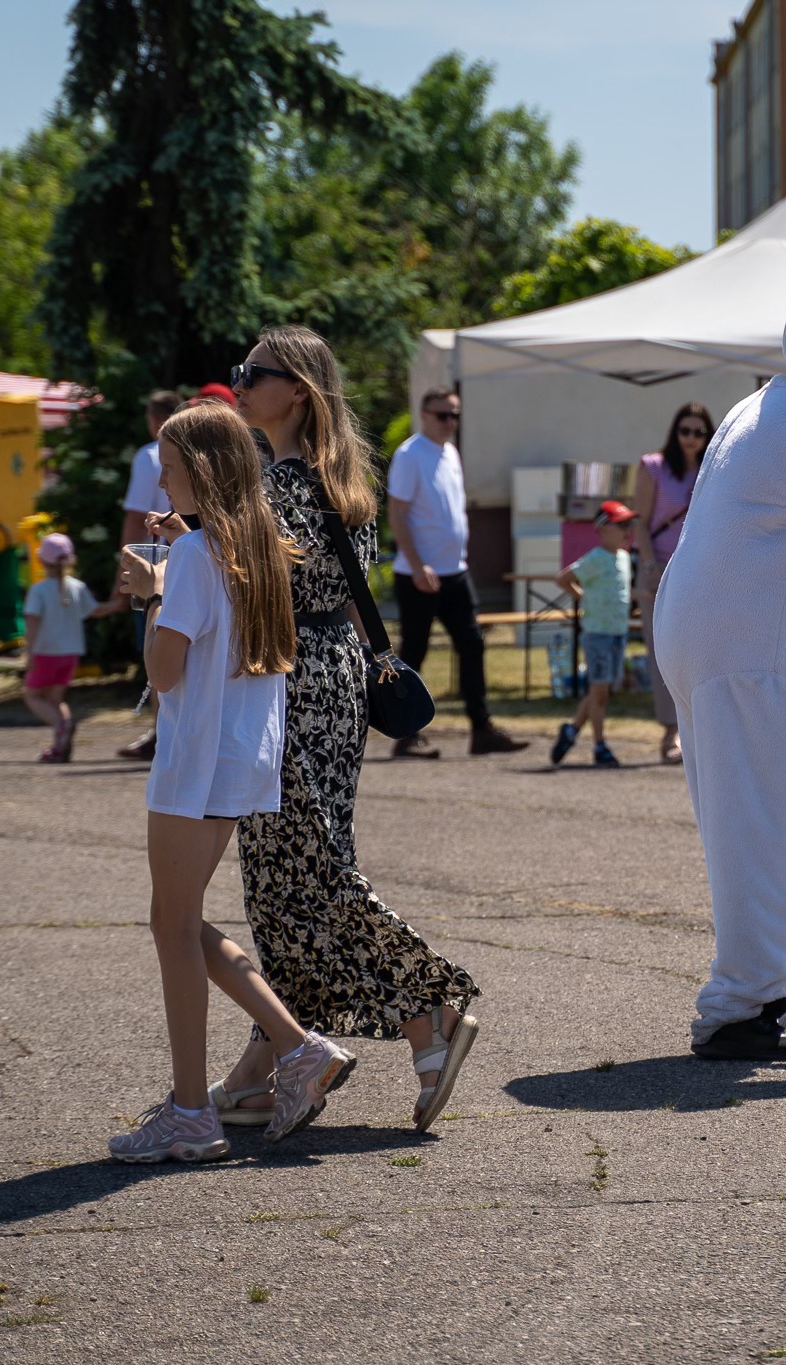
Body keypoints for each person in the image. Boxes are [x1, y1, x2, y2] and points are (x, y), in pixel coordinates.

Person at [211, 325, 482, 1135]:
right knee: (287, 882)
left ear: (296, 390)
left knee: (309, 873)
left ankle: (428, 1012)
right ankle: (266, 1064)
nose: (239, 383)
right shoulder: (338, 479)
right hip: (331, 676)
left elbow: (245, 585)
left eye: (253, 373)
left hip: (292, 682)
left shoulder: (281, 486)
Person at [109, 403, 355, 1161]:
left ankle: (193, 1109)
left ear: (204, 470)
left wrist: (153, 591)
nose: (161, 481)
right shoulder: (260, 543)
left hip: (197, 758)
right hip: (242, 754)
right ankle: (296, 1047)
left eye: (170, 468)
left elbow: (163, 672)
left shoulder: (191, 555)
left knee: (173, 923)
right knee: (177, 919)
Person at [387, 386, 526, 758]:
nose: (450, 422)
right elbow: (397, 515)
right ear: (424, 414)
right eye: (443, 415)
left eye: (455, 415)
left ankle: (482, 729)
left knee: (472, 644)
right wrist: (418, 565)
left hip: (455, 572)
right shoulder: (409, 455)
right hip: (419, 575)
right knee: (414, 653)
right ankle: (406, 734)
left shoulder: (450, 453)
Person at [634, 403, 712, 764]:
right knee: (662, 651)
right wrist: (649, 565)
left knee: (701, 650)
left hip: (700, 568)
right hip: (660, 567)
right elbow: (639, 521)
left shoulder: (713, 468)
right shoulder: (653, 466)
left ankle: (701, 730)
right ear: (674, 432)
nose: (691, 439)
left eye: (699, 432)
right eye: (685, 431)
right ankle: (670, 731)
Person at [116, 390, 181, 761]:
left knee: (158, 651)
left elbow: (134, 518)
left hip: (158, 564)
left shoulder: (150, 455)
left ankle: (161, 734)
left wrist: (124, 572)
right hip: (189, 556)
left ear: (155, 420)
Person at [551, 499, 636, 768]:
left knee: (603, 691)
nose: (628, 531)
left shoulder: (624, 557)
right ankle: (600, 746)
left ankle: (572, 730)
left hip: (617, 632)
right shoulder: (596, 558)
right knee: (599, 691)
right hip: (598, 633)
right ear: (603, 529)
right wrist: (582, 597)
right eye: (621, 526)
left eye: (629, 525)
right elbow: (563, 579)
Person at [21, 533, 121, 761]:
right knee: (55, 699)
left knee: (32, 696)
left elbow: (32, 623)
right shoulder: (77, 587)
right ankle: (60, 744)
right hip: (71, 654)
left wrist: (29, 653)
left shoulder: (38, 590)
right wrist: (116, 605)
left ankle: (61, 726)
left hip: (45, 653)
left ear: (42, 560)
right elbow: (96, 610)